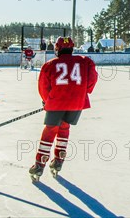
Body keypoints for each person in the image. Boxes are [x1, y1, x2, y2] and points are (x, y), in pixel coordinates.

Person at [29, 36, 98, 181]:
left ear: (57, 49)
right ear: (72, 48)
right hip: (76, 104)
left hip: (56, 103)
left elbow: (43, 87)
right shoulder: (85, 61)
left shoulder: (49, 65)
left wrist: (46, 101)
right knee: (64, 128)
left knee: (50, 130)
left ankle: (39, 163)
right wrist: (83, 92)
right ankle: (58, 160)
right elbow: (92, 79)